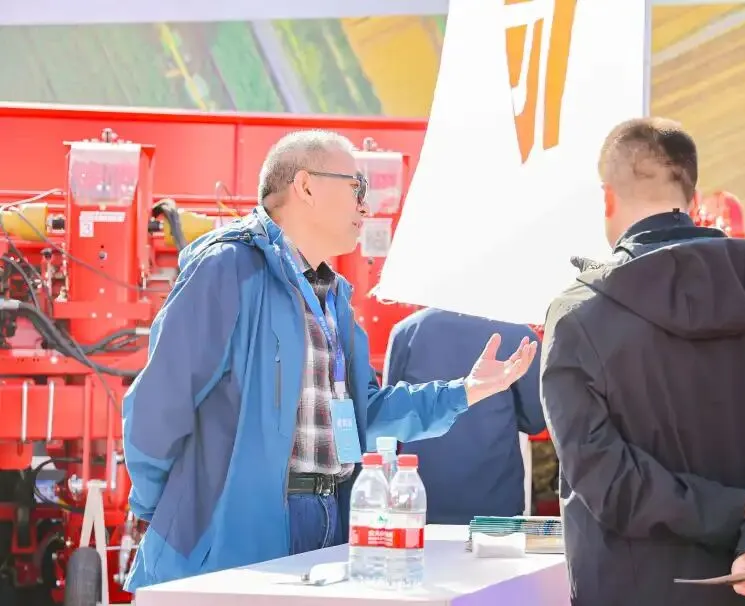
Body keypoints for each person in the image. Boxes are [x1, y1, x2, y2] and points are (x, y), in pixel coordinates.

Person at [121, 130, 537, 591]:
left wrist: (466, 391)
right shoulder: (228, 269)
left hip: (328, 522)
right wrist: (174, 517)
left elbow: (366, 415)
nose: (366, 206)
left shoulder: (332, 297)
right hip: (234, 537)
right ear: (305, 186)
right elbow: (157, 406)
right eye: (357, 187)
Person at [539, 117, 745, 605]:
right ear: (693, 194)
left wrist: (730, 511)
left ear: (607, 198)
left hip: (631, 588)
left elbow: (602, 475)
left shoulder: (578, 317)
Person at [382, 308, 546, 524]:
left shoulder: (408, 330)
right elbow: (535, 421)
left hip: (418, 498)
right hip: (495, 503)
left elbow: (388, 419)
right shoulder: (521, 336)